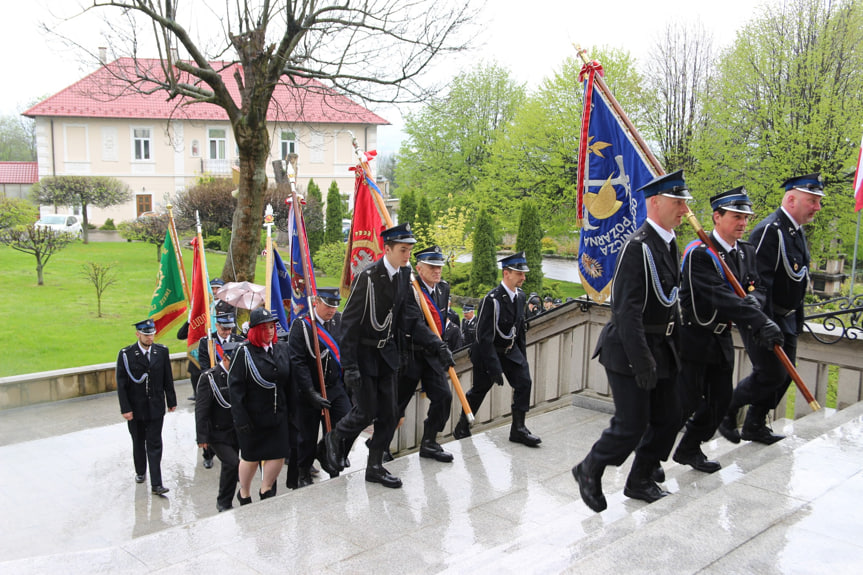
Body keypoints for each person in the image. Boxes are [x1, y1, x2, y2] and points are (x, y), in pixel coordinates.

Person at [572, 170, 691, 513]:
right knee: (631, 424)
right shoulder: (638, 247)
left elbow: (671, 303)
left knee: (670, 417)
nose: (684, 209)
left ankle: (639, 479)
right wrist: (642, 363)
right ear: (655, 202)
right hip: (628, 350)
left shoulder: (668, 242)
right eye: (678, 202)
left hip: (661, 348)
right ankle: (589, 468)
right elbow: (626, 312)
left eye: (684, 203)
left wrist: (678, 350)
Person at [321, 223, 446, 488]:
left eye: (410, 250)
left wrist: (436, 344)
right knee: (366, 412)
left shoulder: (404, 275)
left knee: (389, 415)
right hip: (364, 356)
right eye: (403, 249)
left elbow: (409, 318)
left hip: (387, 356)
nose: (407, 255)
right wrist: (350, 367)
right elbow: (349, 326)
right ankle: (334, 438)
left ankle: (375, 466)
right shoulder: (367, 277)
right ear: (386, 249)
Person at [673, 188, 782, 473]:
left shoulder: (745, 251)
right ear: (717, 217)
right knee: (684, 404)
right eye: (736, 216)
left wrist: (753, 302)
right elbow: (720, 297)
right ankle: (647, 457)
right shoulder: (700, 253)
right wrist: (759, 320)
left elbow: (756, 288)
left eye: (746, 217)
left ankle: (689, 448)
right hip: (694, 337)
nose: (743, 223)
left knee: (721, 402)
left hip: (721, 337)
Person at [719, 174, 823, 445]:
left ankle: (755, 424)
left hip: (786, 318)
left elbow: (797, 280)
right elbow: (755, 280)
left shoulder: (796, 233)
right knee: (770, 374)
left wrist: (796, 320)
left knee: (785, 375)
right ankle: (726, 409)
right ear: (791, 199)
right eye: (812, 201)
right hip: (764, 316)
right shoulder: (771, 230)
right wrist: (762, 322)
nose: (817, 207)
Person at [453, 251, 541, 447]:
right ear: (506, 273)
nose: (524, 277)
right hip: (487, 352)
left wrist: (522, 359)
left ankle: (518, 429)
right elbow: (483, 337)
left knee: (524, 382)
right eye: (519, 273)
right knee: (480, 389)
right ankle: (462, 425)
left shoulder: (520, 296)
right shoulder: (491, 299)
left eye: (523, 273)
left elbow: (519, 331)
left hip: (509, 350)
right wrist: (494, 368)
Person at [396, 245, 457, 463]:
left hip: (431, 355)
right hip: (410, 354)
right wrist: (439, 346)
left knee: (443, 397)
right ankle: (380, 446)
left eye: (439, 267)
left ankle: (429, 442)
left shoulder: (443, 289)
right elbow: (415, 325)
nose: (437, 271)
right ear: (419, 268)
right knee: (397, 405)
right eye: (432, 267)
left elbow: (439, 323)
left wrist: (441, 348)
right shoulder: (411, 289)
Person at [287, 288, 352, 488]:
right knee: (306, 435)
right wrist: (310, 392)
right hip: (309, 389)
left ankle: (328, 455)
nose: (332, 310)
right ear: (316, 302)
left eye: (335, 306)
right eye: (328, 305)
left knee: (347, 424)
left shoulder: (339, 321)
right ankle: (303, 471)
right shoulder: (302, 326)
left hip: (334, 385)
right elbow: (298, 362)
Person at [228, 308, 291, 504]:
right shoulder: (243, 352)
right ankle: (244, 492)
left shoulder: (281, 348)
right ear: (254, 330)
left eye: (272, 327)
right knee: (251, 457)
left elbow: (288, 382)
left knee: (278, 453)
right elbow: (235, 389)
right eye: (265, 328)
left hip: (276, 414)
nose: (270, 331)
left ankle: (267, 488)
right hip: (252, 417)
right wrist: (240, 419)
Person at [116, 318, 177, 496]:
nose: (150, 338)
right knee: (138, 441)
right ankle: (141, 471)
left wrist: (171, 400)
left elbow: (167, 377)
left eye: (152, 334)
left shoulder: (161, 352)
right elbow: (122, 384)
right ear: (138, 334)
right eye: (146, 335)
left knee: (155, 443)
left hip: (156, 407)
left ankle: (157, 483)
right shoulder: (126, 355)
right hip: (136, 409)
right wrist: (125, 408)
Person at [195, 341, 241, 511]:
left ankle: (237, 497)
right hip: (217, 432)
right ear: (226, 359)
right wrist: (201, 436)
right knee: (232, 463)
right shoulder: (210, 377)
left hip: (237, 430)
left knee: (236, 466)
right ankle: (223, 502)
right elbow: (201, 410)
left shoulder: (239, 375)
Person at [196, 312, 244, 469]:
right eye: (224, 328)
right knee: (212, 419)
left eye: (230, 329)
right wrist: (214, 374)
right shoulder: (207, 342)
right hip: (213, 384)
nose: (227, 332)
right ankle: (208, 454)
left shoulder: (238, 341)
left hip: (232, 384)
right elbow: (203, 365)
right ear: (217, 326)